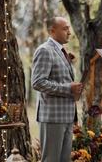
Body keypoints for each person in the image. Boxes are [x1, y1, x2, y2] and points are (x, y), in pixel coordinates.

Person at [32, 17, 83, 162]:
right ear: (52, 30)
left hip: (66, 116)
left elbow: (61, 79)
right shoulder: (44, 50)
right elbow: (38, 83)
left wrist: (74, 89)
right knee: (51, 159)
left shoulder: (61, 51)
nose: (69, 32)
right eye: (65, 28)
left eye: (69, 28)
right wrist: (68, 88)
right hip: (52, 117)